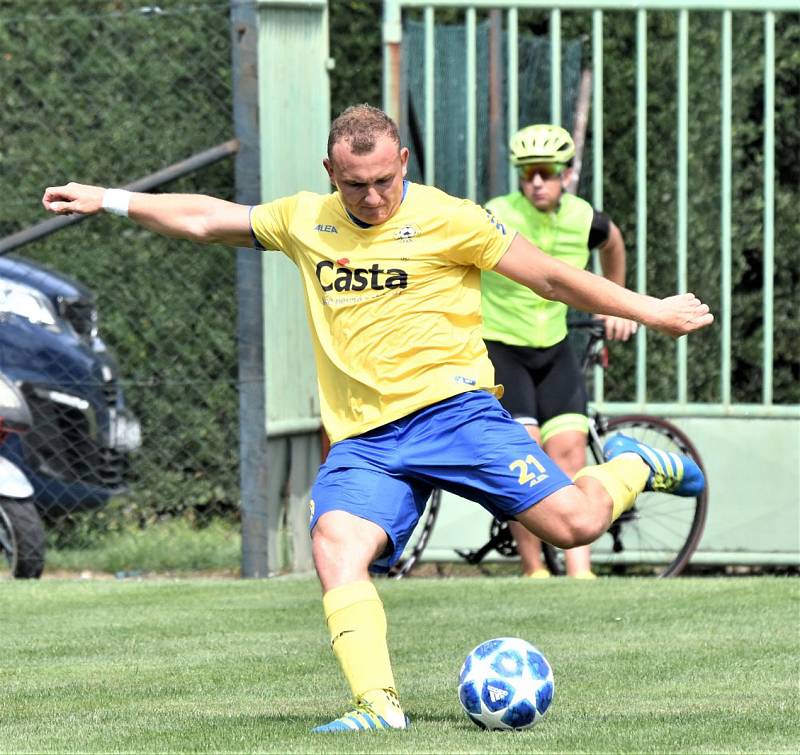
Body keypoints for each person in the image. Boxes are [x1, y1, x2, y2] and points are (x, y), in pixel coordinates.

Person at [42, 104, 712, 734]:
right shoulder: (307, 220)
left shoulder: (451, 219)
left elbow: (550, 278)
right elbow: (204, 219)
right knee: (335, 542)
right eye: (355, 184)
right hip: (367, 441)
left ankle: (634, 462)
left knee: (578, 525)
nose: (371, 198)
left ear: (406, 161)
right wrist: (109, 198)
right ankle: (378, 704)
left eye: (384, 181)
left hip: (457, 415)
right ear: (330, 172)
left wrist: (651, 310)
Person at [481, 123, 636, 580]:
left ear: (566, 175)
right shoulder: (495, 213)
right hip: (500, 345)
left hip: (553, 344)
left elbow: (614, 241)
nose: (536, 183)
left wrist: (617, 298)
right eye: (526, 174)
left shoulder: (585, 217)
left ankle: (579, 573)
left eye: (546, 173)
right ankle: (534, 571)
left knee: (570, 449)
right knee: (525, 457)